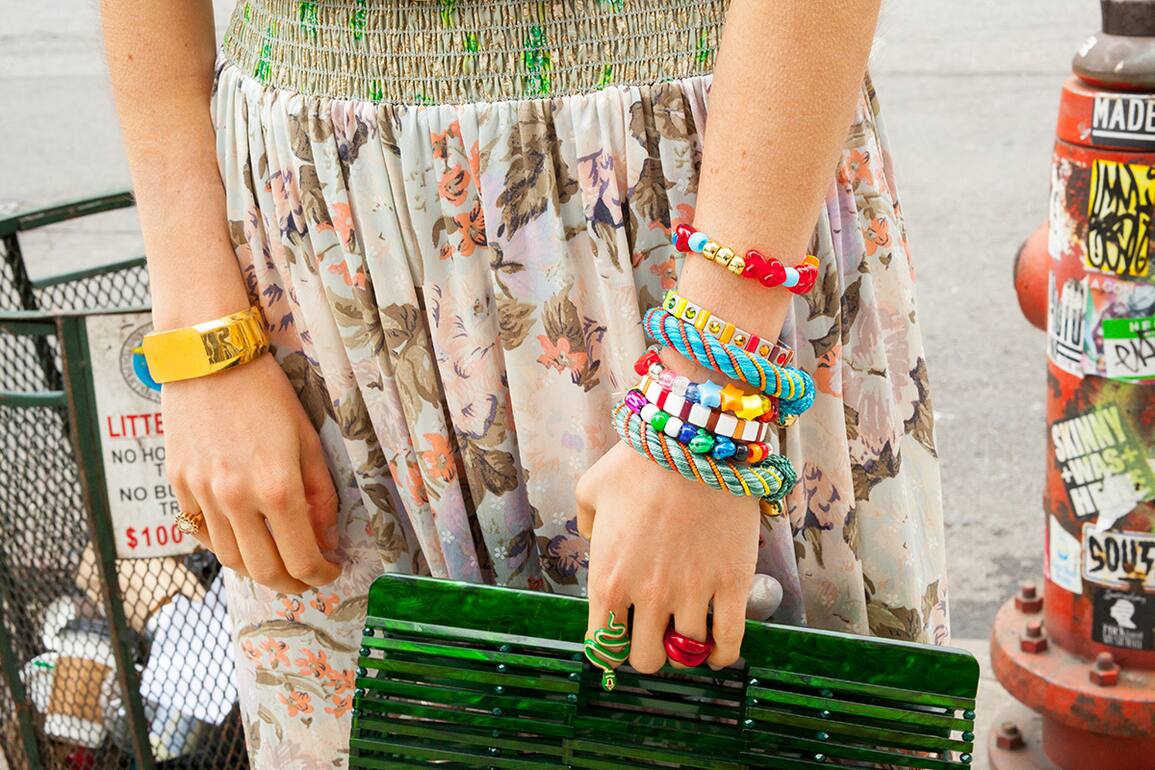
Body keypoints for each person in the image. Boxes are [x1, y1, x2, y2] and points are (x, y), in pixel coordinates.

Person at [101, 0, 948, 764]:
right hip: (313, 256)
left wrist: (702, 404)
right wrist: (201, 338)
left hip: (690, 207)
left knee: (732, 726)